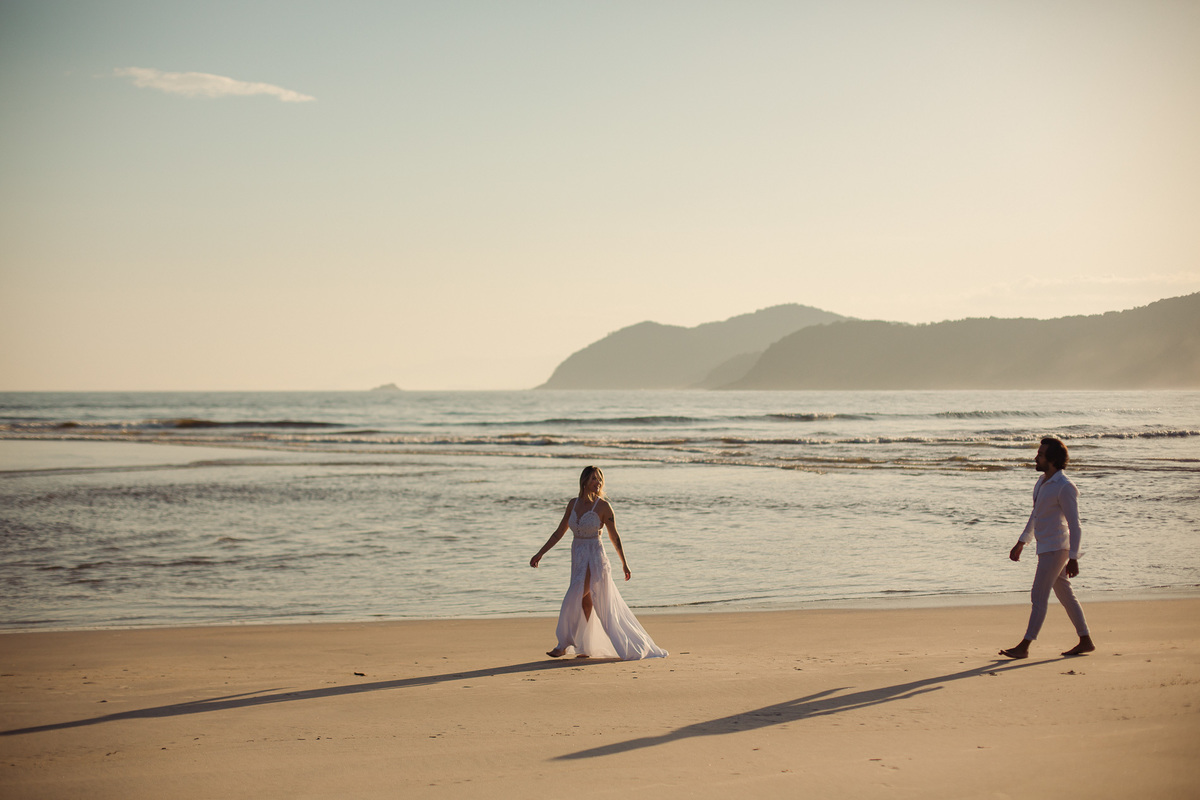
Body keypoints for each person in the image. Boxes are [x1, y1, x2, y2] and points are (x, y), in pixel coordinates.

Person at [529, 466, 667, 660]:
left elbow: (614, 537)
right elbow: (559, 532)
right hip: (578, 556)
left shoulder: (604, 507)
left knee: (574, 595)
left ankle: (563, 644)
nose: (598, 482)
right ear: (584, 481)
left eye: (600, 479)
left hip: (595, 559)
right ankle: (585, 647)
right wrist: (540, 553)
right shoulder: (573, 504)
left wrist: (624, 564)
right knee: (586, 603)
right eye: (594, 478)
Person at [1000, 437, 1095, 659]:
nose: (1036, 457)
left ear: (1051, 459)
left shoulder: (1065, 487)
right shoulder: (1042, 482)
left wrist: (1073, 557)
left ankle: (1024, 646)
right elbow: (1036, 514)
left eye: (1040, 454)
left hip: (1057, 549)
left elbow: (1075, 524)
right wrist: (1022, 541)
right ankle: (1086, 640)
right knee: (1066, 595)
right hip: (1046, 547)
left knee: (1038, 596)